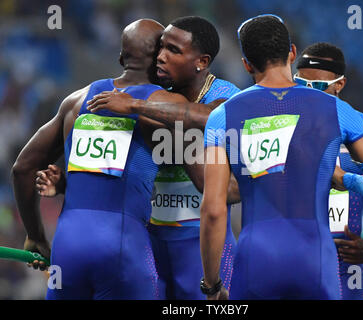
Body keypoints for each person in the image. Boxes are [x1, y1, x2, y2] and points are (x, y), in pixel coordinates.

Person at [37, 16, 241, 300]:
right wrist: (69, 183)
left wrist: (138, 105)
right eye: (160, 48)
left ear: (202, 62)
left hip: (198, 243)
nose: (161, 57)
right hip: (148, 241)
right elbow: (121, 166)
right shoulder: (156, 92)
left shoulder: (224, 94)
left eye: (173, 50)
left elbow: (214, 120)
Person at [200, 14, 363, 300]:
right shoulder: (339, 111)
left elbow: (214, 210)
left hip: (256, 260)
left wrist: (213, 284)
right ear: (292, 53)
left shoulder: (222, 117)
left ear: (246, 64)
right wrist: (347, 180)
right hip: (316, 261)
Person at [11, 19, 196, 299]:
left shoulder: (76, 101)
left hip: (68, 245)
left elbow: (23, 168)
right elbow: (208, 130)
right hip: (123, 244)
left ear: (122, 57)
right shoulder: (166, 105)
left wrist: (35, 235)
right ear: (160, 57)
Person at [294, 42, 363, 299]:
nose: (308, 93)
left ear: (339, 84)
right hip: (294, 260)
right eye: (300, 84)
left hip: (346, 267)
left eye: (317, 87)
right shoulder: (283, 127)